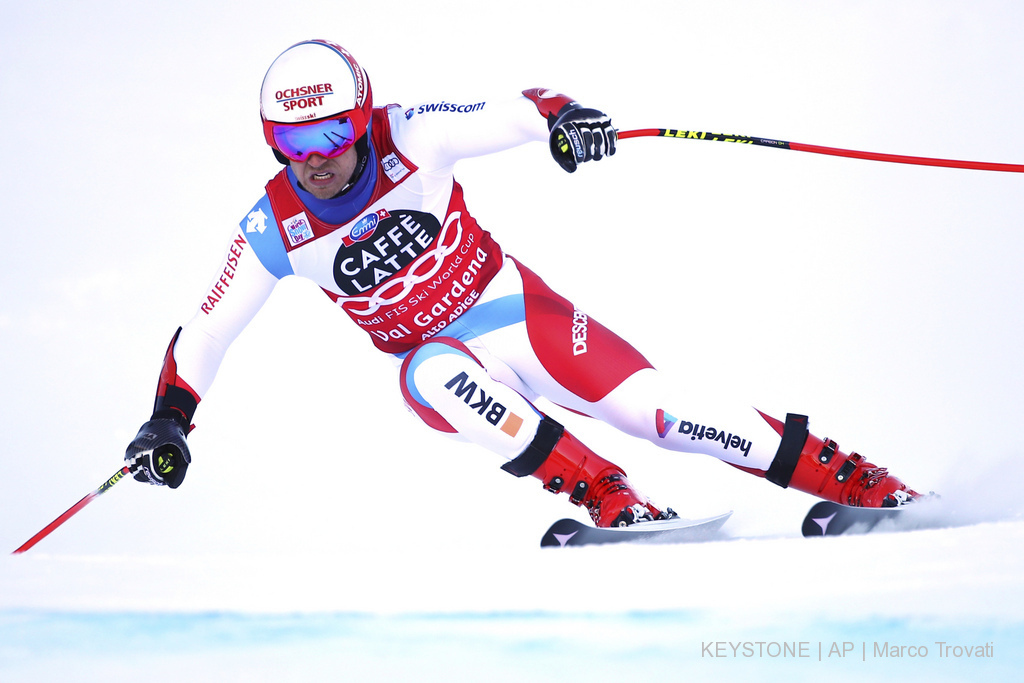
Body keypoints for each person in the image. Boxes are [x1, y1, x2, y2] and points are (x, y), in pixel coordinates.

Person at [124, 39, 919, 528]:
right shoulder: (275, 223)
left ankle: (858, 480)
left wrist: (568, 119)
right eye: (292, 143)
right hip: (446, 362)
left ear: (362, 117)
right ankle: (610, 496)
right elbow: (210, 328)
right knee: (429, 371)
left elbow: (520, 109)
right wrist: (170, 420)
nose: (317, 157)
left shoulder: (413, 134)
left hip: (517, 313)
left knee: (661, 412)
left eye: (333, 132)